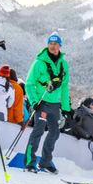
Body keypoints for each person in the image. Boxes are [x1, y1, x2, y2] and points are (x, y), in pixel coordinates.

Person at [23, 31, 71, 173]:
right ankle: (29, 163)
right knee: (38, 131)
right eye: (50, 43)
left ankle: (45, 162)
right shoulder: (39, 63)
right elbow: (29, 84)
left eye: (55, 44)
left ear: (60, 46)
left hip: (55, 105)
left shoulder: (64, 64)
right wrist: (34, 102)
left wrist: (66, 108)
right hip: (42, 102)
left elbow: (64, 88)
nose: (52, 46)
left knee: (55, 133)